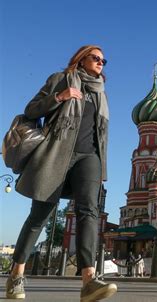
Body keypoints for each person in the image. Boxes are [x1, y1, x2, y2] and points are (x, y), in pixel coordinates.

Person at [5, 45, 117, 302]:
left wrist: (102, 167)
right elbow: (31, 110)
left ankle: (89, 279)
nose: (101, 63)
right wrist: (59, 97)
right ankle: (17, 272)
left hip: (90, 156)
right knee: (39, 216)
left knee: (89, 210)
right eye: (96, 58)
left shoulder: (101, 92)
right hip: (57, 152)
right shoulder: (61, 80)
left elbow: (102, 134)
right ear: (81, 59)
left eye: (104, 60)